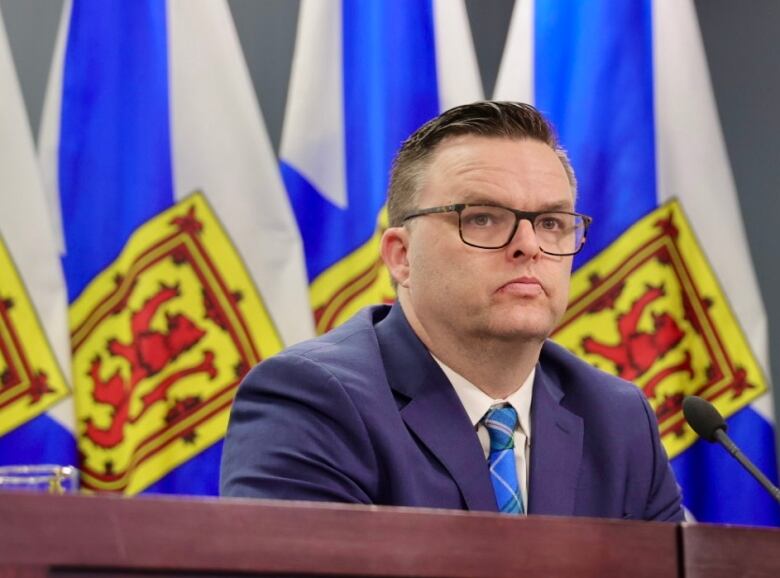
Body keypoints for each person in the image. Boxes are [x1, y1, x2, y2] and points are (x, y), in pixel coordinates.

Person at [220, 101, 684, 521]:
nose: (528, 246)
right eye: (481, 218)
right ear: (401, 256)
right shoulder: (313, 399)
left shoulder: (617, 419)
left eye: (550, 223)